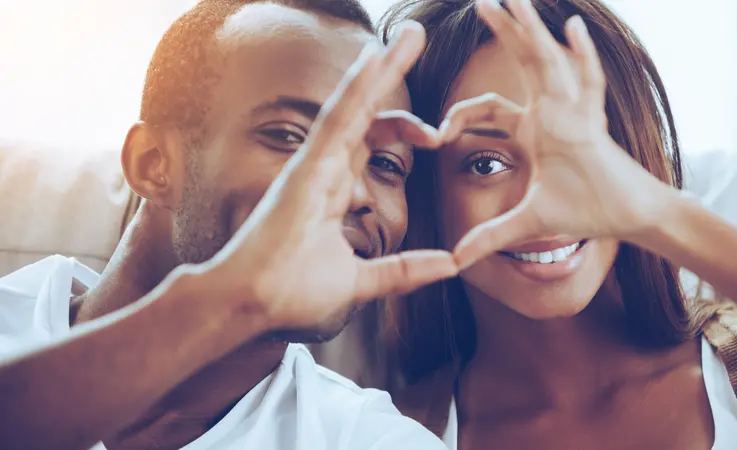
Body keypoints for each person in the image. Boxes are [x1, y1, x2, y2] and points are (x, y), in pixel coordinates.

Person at [0, 1, 456, 449]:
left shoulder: (368, 437)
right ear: (154, 163)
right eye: (290, 137)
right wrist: (219, 308)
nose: (354, 191)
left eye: (385, 163)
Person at [382, 0, 737, 448]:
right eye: (486, 164)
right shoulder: (389, 430)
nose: (545, 199)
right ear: (423, 191)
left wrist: (655, 212)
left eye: (582, 154)